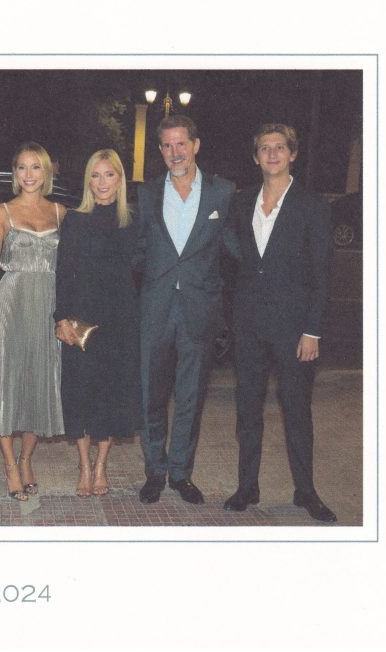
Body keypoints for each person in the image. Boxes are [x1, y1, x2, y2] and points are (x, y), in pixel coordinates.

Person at [224, 124, 336, 522]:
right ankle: (247, 487)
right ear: (255, 157)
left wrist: (312, 330)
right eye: (264, 148)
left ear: (292, 154)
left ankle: (306, 491)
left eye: (279, 148)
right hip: (249, 327)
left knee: (297, 412)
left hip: (294, 330)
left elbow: (322, 273)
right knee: (247, 411)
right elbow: (233, 260)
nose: (272, 154)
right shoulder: (242, 202)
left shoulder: (312, 205)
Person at [136, 114, 237, 505]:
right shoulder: (147, 193)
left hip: (199, 308)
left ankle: (180, 473)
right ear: (160, 150)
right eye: (167, 145)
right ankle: (154, 472)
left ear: (195, 145)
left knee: (191, 396)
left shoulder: (222, 192)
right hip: (155, 308)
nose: (175, 152)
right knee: (151, 394)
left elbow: (236, 248)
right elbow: (136, 251)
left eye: (181, 143)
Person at [0, 142, 66, 500]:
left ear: (47, 172)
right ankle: (10, 464)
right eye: (22, 167)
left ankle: (27, 459)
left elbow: (71, 269)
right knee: (6, 380)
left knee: (41, 382)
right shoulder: (2, 212)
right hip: (11, 303)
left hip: (48, 305)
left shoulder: (61, 212)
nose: (29, 174)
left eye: (36, 167)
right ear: (14, 173)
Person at [54, 149, 140, 497]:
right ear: (88, 180)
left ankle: (102, 466)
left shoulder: (133, 220)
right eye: (95, 175)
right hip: (82, 318)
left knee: (110, 393)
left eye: (109, 174)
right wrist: (61, 317)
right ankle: (84, 466)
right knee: (81, 393)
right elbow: (63, 272)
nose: (102, 182)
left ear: (120, 179)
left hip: (120, 319)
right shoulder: (74, 219)